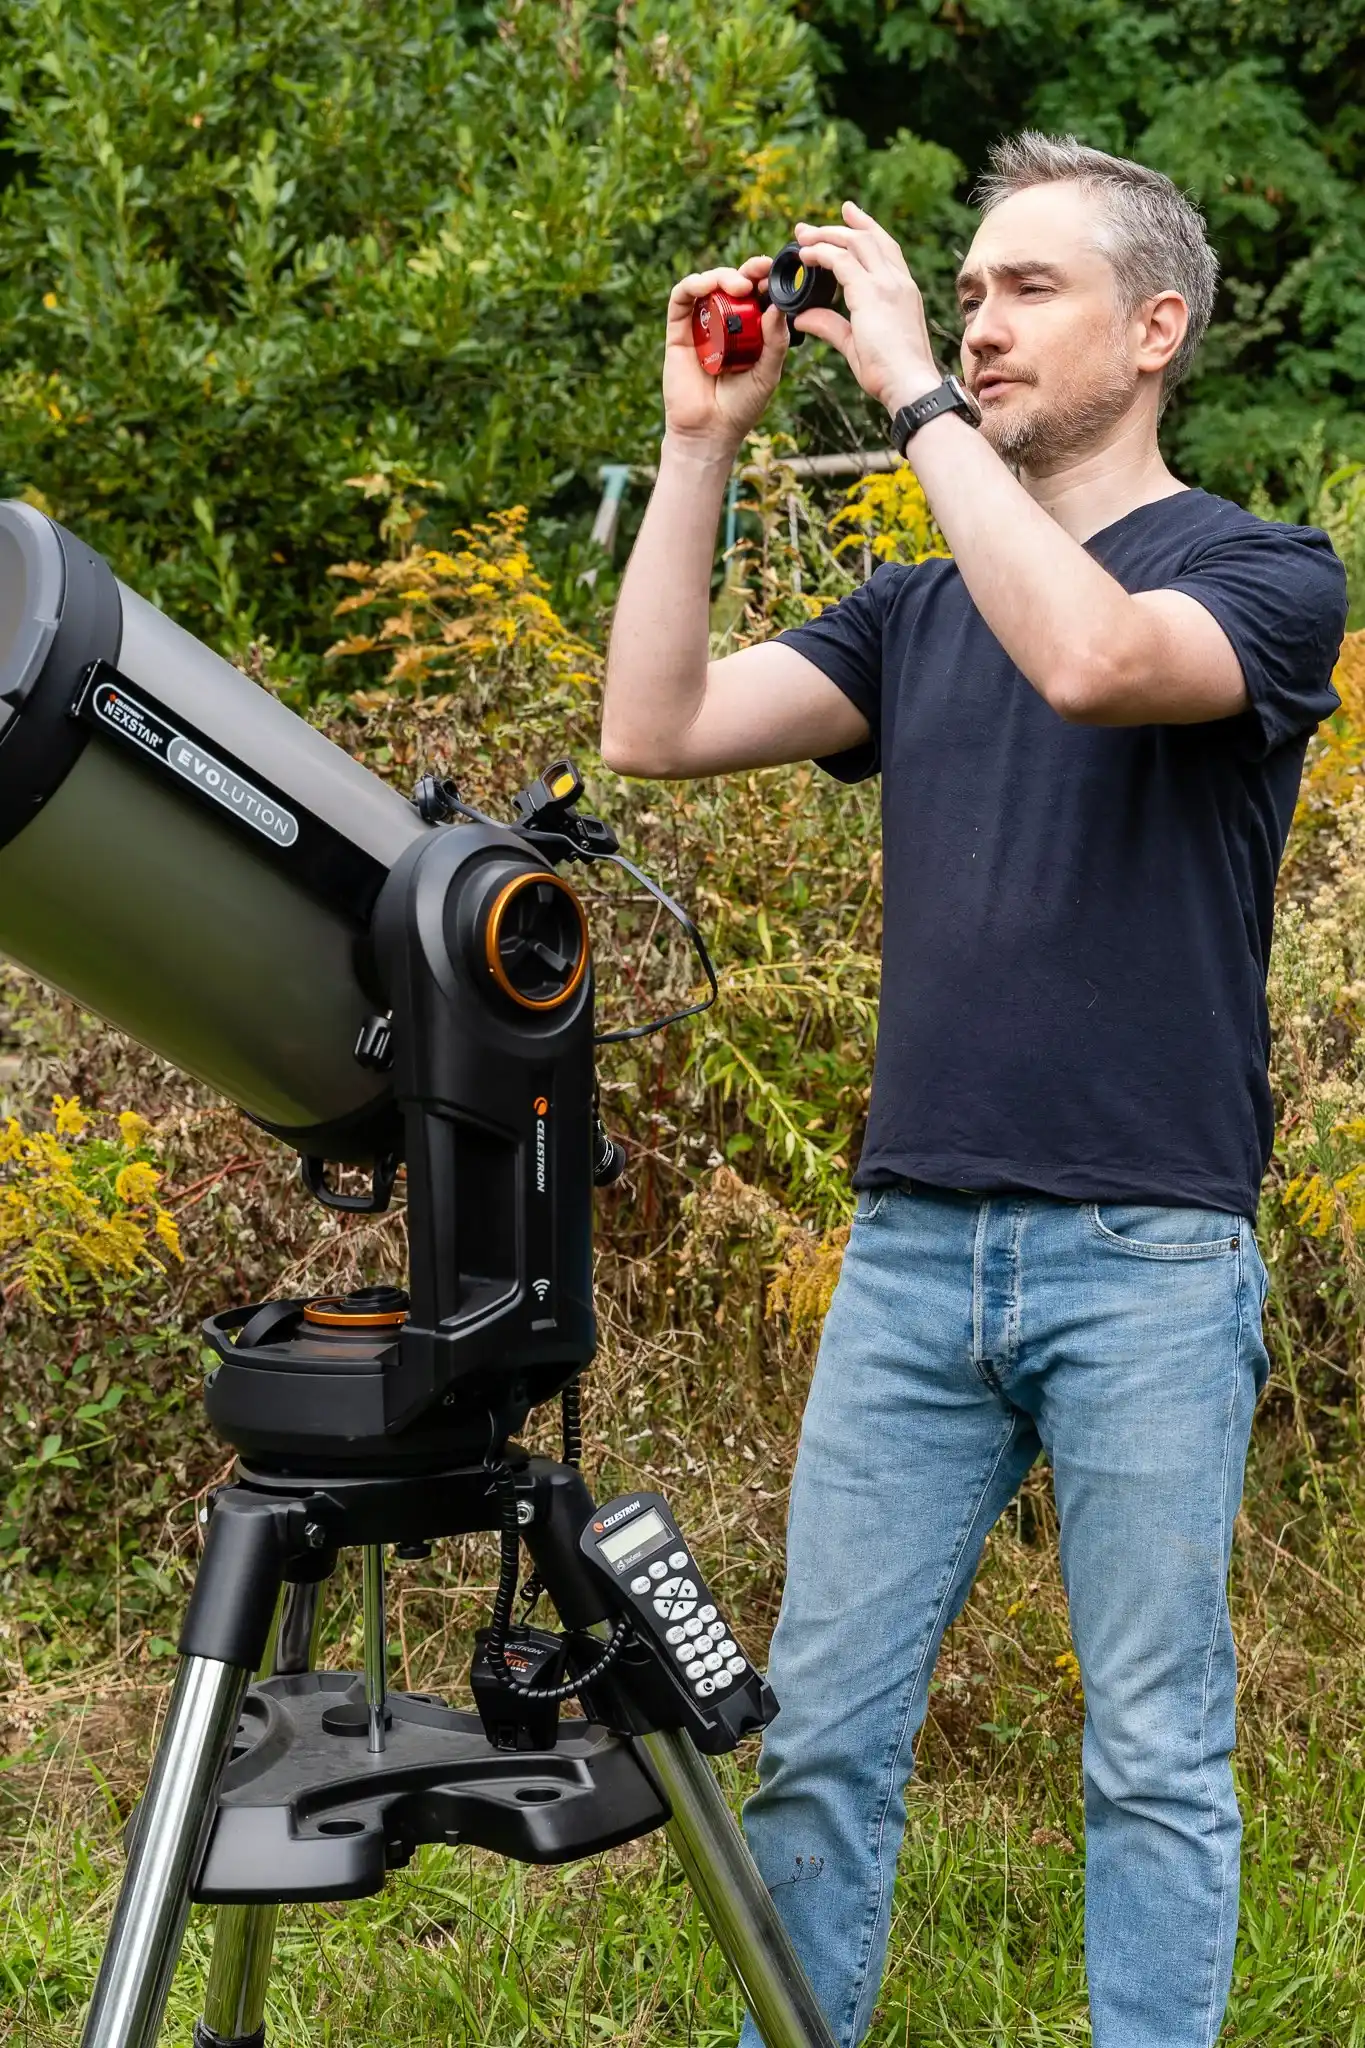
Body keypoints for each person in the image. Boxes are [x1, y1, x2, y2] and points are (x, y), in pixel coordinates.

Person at [599, 132, 1348, 2048]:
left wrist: (916, 387)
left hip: (1149, 1256)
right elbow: (656, 726)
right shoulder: (914, 617)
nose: (985, 323)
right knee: (818, 1744)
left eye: (1030, 290)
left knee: (1154, 1758)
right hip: (913, 1251)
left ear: (1156, 329)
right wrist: (701, 446)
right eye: (974, 288)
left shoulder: (1262, 575)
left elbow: (1097, 659)